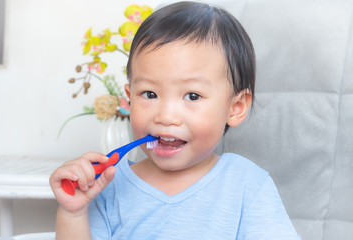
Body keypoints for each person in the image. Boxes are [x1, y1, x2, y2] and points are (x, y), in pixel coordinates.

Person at [50, 1, 301, 239]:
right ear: (129, 100)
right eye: (150, 94)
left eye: (192, 96)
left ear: (235, 108)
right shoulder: (107, 188)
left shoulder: (248, 185)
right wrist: (73, 213)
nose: (165, 116)